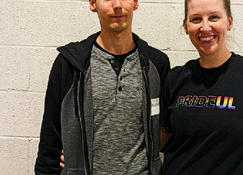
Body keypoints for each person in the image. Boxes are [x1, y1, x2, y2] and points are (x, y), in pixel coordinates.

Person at [159, 0, 243, 174]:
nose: (205, 27)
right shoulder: (175, 78)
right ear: (186, 27)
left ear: (229, 22)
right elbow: (159, 142)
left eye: (214, 17)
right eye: (196, 19)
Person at [34, 0, 170, 173]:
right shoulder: (70, 65)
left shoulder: (157, 65)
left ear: (135, 2)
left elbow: (168, 129)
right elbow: (50, 139)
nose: (117, 4)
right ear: (92, 4)